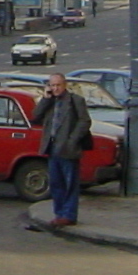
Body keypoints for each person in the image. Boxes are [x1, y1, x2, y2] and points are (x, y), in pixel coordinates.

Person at [31, 71, 94, 229]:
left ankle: (69, 215)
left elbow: (85, 121)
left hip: (68, 148)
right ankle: (59, 214)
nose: (56, 88)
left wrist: (72, 140)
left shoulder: (75, 100)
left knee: (70, 182)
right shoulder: (49, 101)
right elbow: (35, 117)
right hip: (52, 148)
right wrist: (45, 99)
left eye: (58, 85)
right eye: (53, 85)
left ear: (65, 85)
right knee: (56, 183)